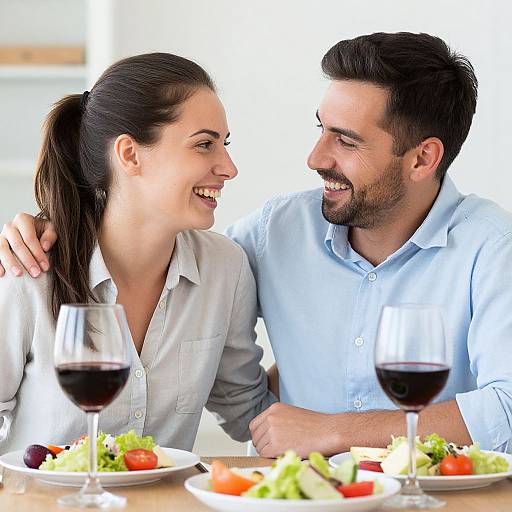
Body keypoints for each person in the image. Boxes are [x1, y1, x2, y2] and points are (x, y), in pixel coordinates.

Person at [3, 32, 512, 458]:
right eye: (321, 129)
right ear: (130, 153)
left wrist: (332, 430)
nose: (315, 157)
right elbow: (247, 397)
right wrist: (34, 230)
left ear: (423, 159)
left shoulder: (490, 247)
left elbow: (509, 409)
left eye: (347, 140)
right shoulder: (268, 235)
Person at [0, 52, 276, 454]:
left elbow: (247, 413)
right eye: (204, 145)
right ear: (130, 154)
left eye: (224, 145)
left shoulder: (224, 268)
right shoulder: (31, 268)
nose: (228, 167)